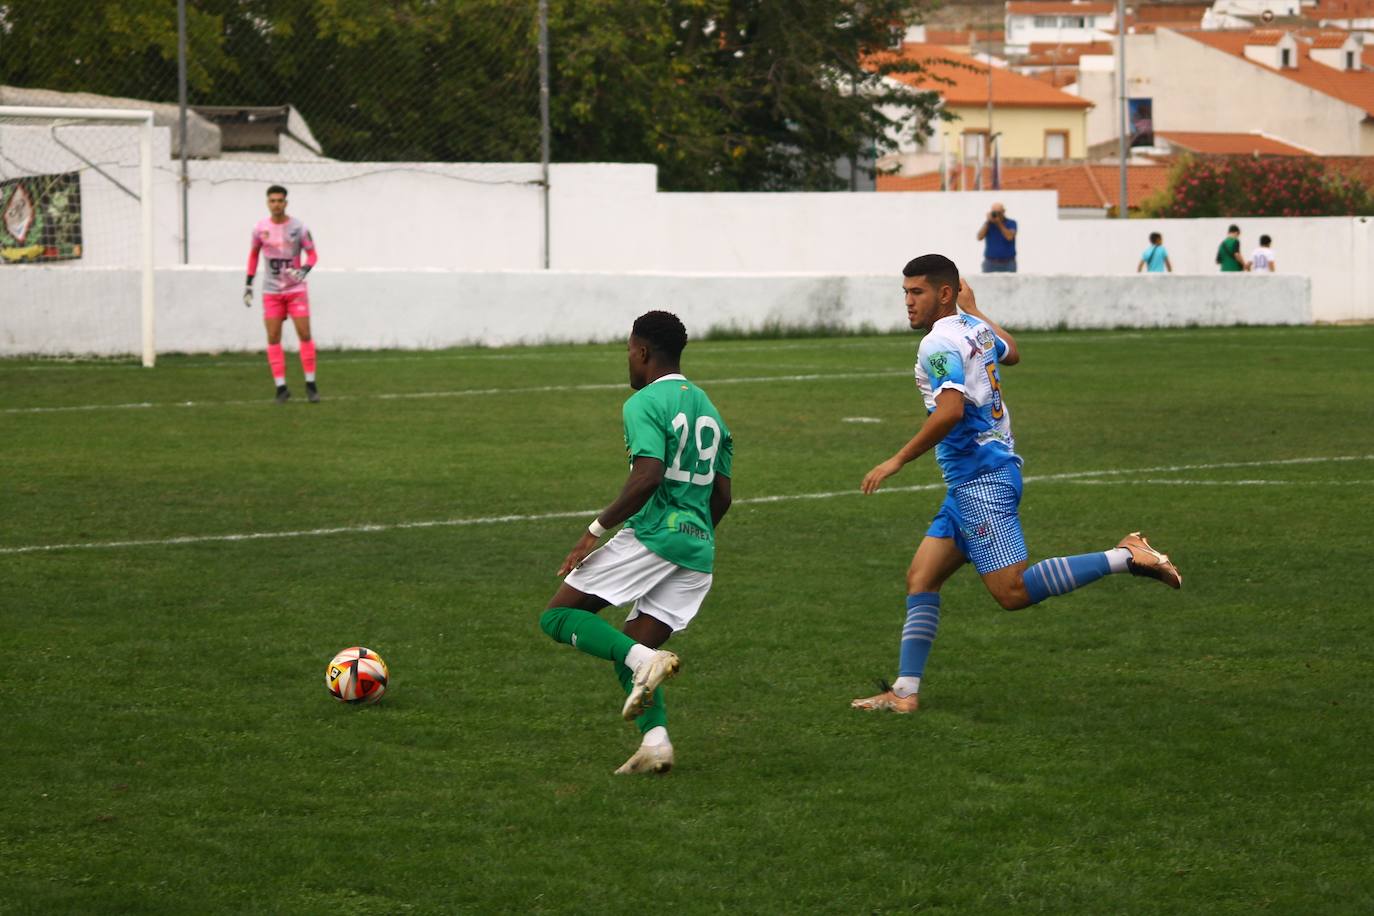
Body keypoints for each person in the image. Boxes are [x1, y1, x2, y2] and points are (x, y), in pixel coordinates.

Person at [850, 254, 1181, 714]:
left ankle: (1125, 556)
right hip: (978, 479)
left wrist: (896, 460)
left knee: (1012, 592)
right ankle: (904, 693)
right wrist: (977, 309)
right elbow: (1013, 351)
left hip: (981, 482)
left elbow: (949, 411)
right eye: (905, 292)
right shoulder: (972, 327)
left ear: (943, 293)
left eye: (917, 292)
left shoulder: (938, 344)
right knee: (921, 577)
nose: (908, 302)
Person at [538, 310, 733, 774]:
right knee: (627, 646)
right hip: (698, 548)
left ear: (643, 352)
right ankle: (656, 743)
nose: (627, 358)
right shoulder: (709, 408)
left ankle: (649, 660)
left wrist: (593, 532)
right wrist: (693, 534)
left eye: (629, 350)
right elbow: (722, 497)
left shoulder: (644, 402)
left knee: (557, 616)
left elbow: (648, 476)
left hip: (654, 534)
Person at [244, 184, 320, 403]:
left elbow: (313, 255)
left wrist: (303, 270)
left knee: (304, 334)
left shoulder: (299, 228)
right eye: (272, 201)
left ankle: (311, 384)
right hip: (271, 291)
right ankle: (281, 387)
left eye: (280, 200)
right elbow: (253, 256)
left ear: (286, 203)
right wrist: (248, 284)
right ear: (268, 203)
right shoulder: (260, 229)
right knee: (273, 337)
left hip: (295, 290)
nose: (276, 204)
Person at [976, 203, 1018, 273]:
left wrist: (999, 223)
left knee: (1010, 284)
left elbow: (1009, 237)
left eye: (999, 212)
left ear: (1003, 212)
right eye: (994, 212)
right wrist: (988, 222)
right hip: (990, 263)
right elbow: (979, 237)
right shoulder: (988, 224)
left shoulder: (1011, 223)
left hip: (1008, 263)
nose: (996, 215)